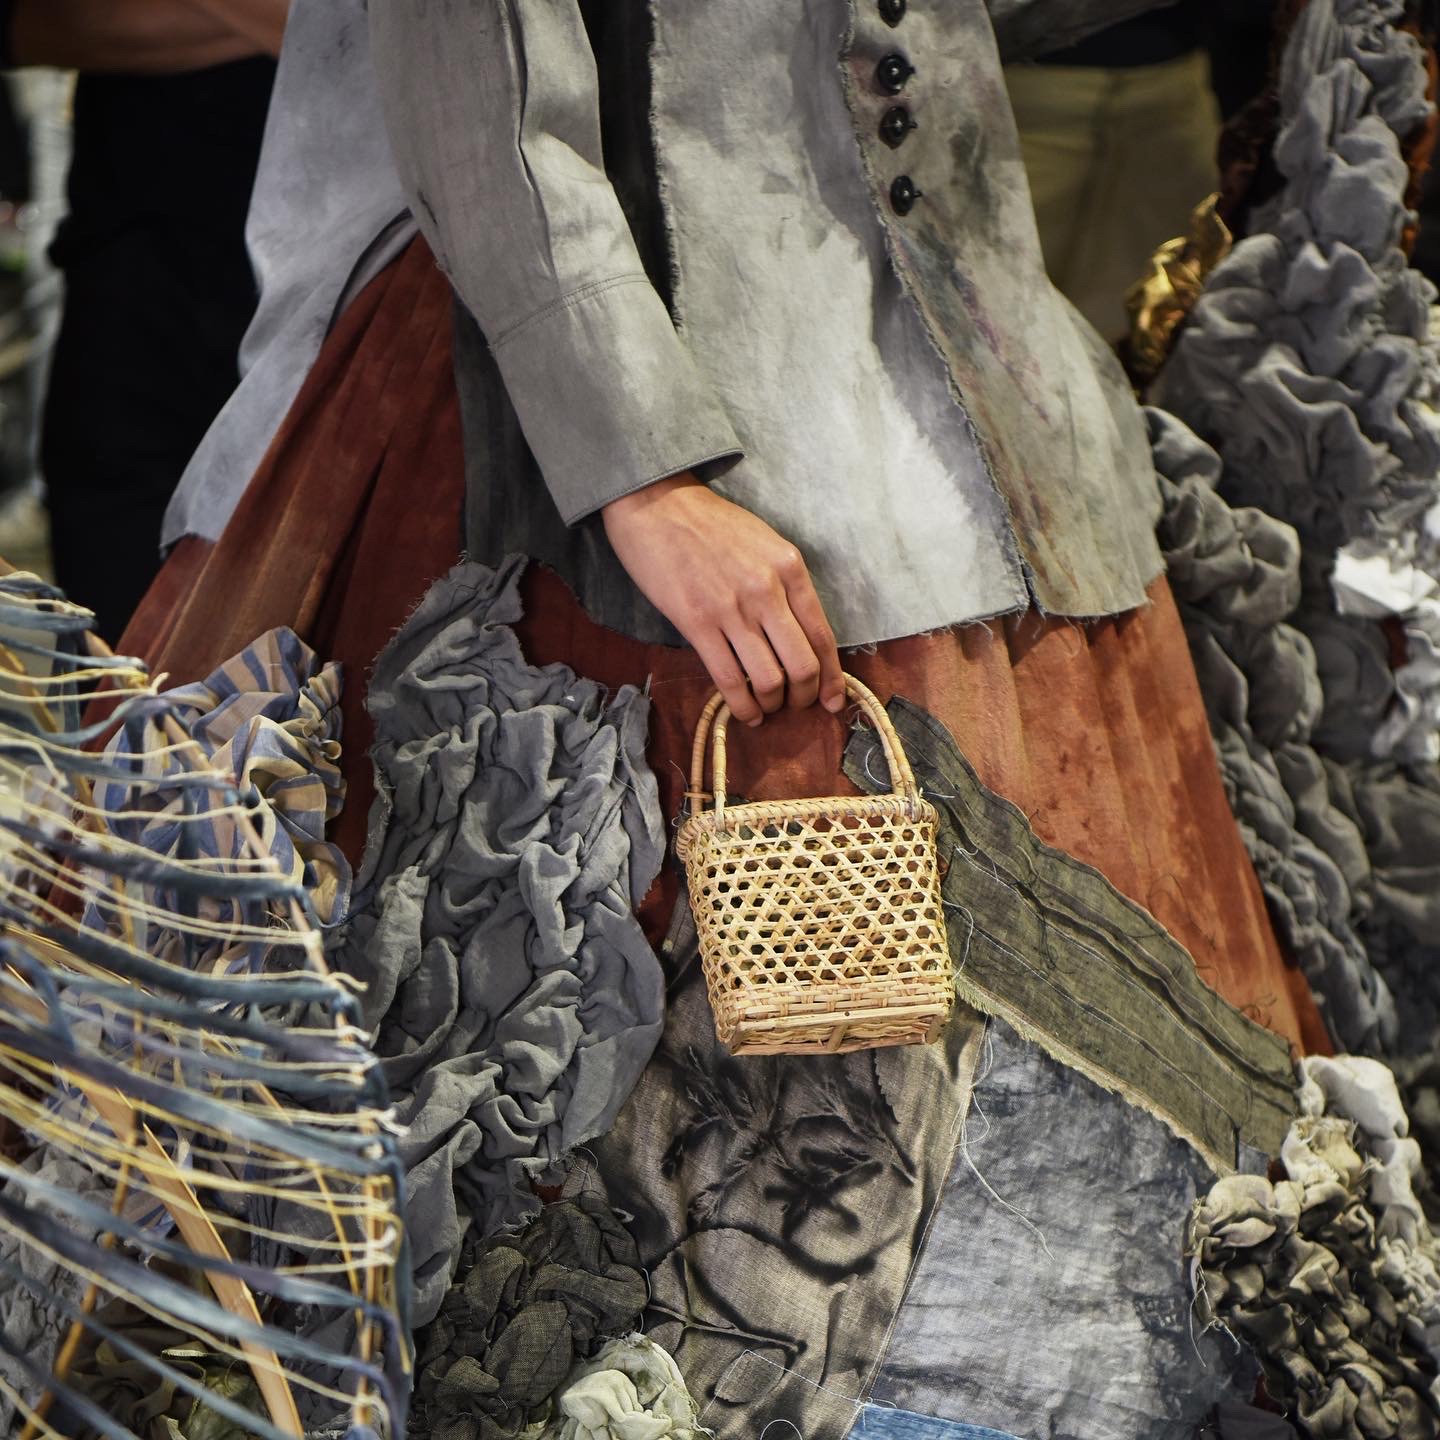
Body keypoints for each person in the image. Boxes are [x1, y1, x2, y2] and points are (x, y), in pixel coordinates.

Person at [3, 0, 285, 640]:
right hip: (133, 323)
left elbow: (383, 32)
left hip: (365, 311)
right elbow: (23, 28)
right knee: (127, 664)